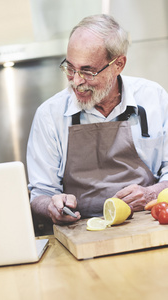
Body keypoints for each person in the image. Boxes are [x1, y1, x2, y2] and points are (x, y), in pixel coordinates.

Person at [27, 14, 168, 234]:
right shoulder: (49, 115)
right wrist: (51, 206)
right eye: (70, 68)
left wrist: (153, 192)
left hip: (149, 227)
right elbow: (39, 195)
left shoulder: (154, 99)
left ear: (118, 64)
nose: (76, 81)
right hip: (81, 233)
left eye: (88, 71)